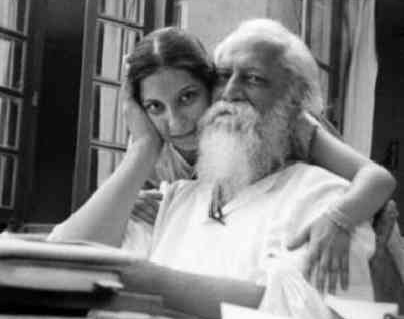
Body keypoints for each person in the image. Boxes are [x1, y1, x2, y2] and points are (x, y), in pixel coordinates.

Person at [52, 20, 397, 303]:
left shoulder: (306, 149)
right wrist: (143, 148)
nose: (176, 123)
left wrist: (341, 217)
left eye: (253, 79)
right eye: (223, 76)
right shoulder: (173, 188)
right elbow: (64, 259)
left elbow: (375, 178)